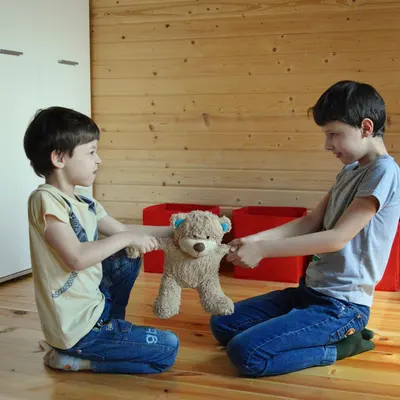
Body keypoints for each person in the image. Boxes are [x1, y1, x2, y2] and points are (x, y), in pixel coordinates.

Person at [210, 80, 400, 377]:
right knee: (222, 323)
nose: (327, 145)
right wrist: (253, 239)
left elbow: (337, 238)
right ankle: (306, 331)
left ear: (365, 127)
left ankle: (343, 345)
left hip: (341, 306)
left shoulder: (384, 171)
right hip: (309, 292)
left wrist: (264, 250)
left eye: (334, 134)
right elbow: (309, 222)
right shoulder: (349, 171)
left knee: (246, 354)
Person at [24, 106, 179, 374]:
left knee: (126, 257)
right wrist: (128, 237)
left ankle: (110, 328)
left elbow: (122, 231)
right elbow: (76, 258)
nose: (99, 160)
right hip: (74, 327)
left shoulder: (85, 201)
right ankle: (78, 358)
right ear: (59, 158)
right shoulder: (45, 199)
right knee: (167, 349)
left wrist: (177, 230)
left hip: (95, 308)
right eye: (92, 152)